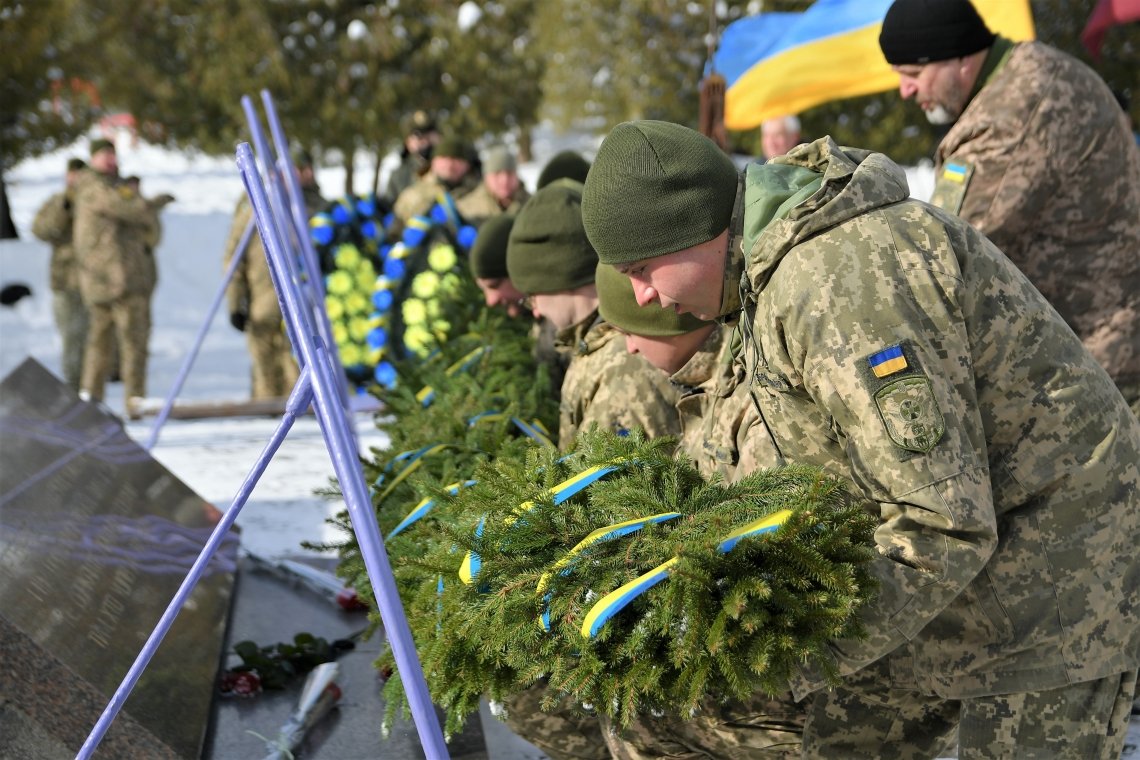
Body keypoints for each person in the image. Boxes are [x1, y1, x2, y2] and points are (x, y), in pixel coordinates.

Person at [581, 120, 1140, 758]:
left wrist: (789, 653)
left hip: (1052, 584)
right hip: (942, 575)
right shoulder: (764, 275)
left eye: (642, 270)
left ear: (691, 230)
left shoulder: (836, 282)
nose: (642, 297)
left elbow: (942, 521)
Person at [879, 0, 1140, 413]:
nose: (905, 90)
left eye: (913, 74)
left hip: (1100, 374)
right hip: (1105, 351)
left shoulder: (1009, 117)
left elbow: (942, 257)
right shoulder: (1032, 71)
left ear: (960, 59)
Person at [507, 180, 682, 449]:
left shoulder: (619, 367)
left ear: (560, 279)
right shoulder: (596, 346)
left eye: (532, 297)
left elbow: (607, 489)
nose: (537, 311)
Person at [223, 147, 325, 399]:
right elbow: (235, 259)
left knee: (298, 370)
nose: (303, 175)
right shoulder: (255, 208)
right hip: (264, 302)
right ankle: (265, 414)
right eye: (297, 170)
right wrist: (236, 303)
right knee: (265, 369)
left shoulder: (318, 208)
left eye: (306, 170)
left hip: (305, 303)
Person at [72, 139, 156, 418]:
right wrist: (139, 198)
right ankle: (92, 403)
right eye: (103, 155)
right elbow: (130, 209)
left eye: (112, 154)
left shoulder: (115, 186)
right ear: (93, 158)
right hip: (106, 281)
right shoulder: (94, 186)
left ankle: (135, 403)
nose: (110, 160)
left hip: (128, 280)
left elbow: (151, 232)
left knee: (133, 346)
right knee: (102, 346)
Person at [31, 157, 89, 392]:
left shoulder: (97, 202)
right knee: (71, 337)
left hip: (96, 280)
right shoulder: (58, 202)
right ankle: (74, 387)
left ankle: (93, 386)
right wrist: (64, 206)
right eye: (73, 174)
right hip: (66, 280)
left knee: (95, 338)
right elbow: (42, 230)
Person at [393, 135, 480, 224]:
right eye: (444, 158)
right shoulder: (414, 193)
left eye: (456, 160)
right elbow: (396, 225)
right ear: (433, 162)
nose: (449, 165)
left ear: (467, 165)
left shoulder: (480, 192)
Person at [456, 144, 531, 225]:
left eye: (509, 173)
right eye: (497, 174)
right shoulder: (465, 209)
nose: (504, 180)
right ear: (486, 177)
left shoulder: (532, 204)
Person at [385, 110, 440, 203]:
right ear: (408, 142)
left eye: (429, 135)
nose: (425, 141)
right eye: (418, 136)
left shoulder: (454, 168)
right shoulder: (399, 175)